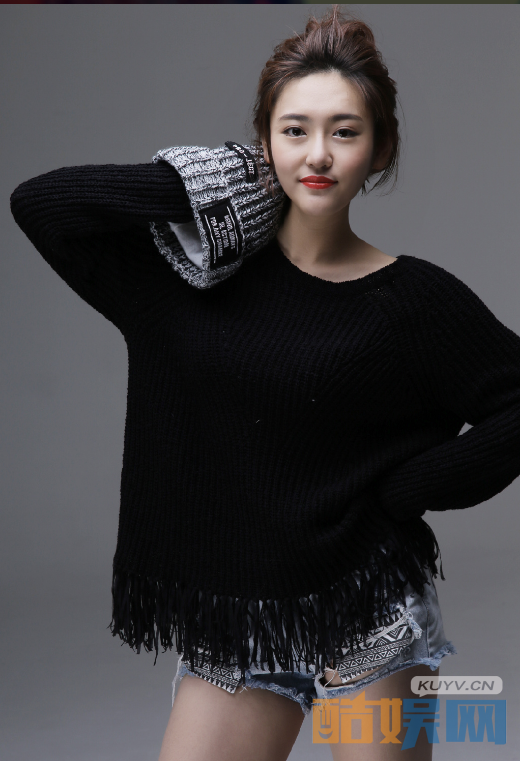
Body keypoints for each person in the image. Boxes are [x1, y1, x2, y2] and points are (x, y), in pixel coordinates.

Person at [9, 6, 520, 761]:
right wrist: (206, 185)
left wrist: (401, 492)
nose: (318, 154)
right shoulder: (184, 281)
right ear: (263, 142)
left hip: (369, 608)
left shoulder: (411, 300)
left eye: (345, 132)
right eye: (294, 130)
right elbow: (43, 205)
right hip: (237, 623)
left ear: (380, 149)